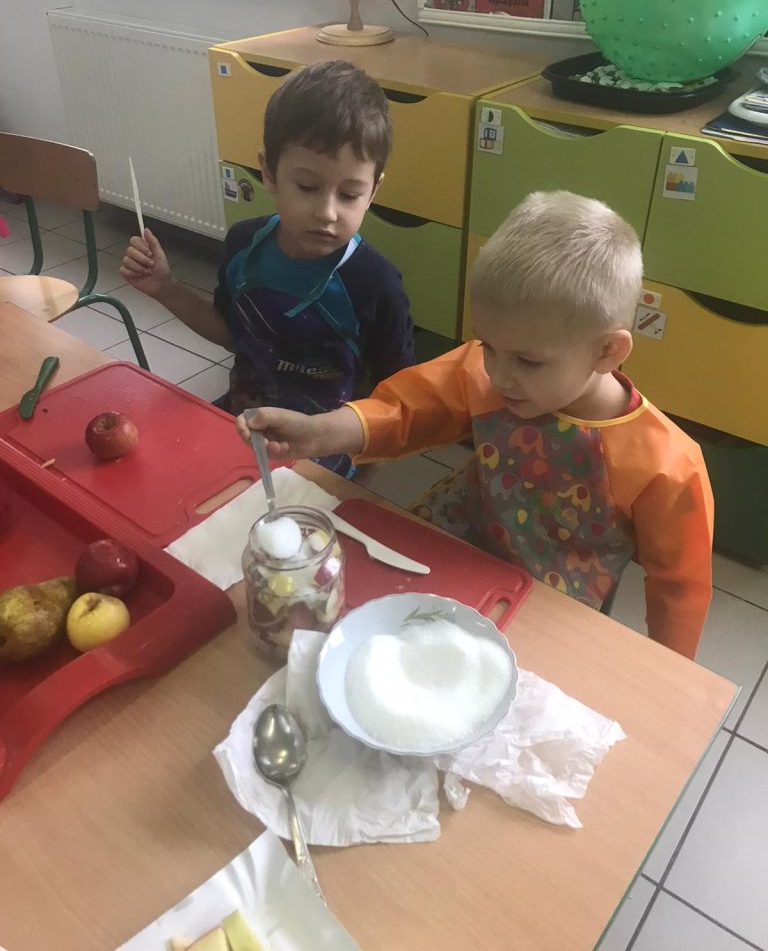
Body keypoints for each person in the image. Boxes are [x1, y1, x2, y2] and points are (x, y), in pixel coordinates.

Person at [236, 191, 714, 659]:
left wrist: (672, 679)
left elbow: (680, 590)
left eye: (528, 361)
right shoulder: (491, 374)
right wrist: (319, 432)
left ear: (607, 351)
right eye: (487, 346)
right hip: (454, 546)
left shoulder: (666, 465)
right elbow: (406, 409)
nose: (498, 375)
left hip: (547, 605)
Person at [119, 60, 414, 475]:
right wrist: (166, 288)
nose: (327, 212)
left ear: (374, 190)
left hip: (323, 453)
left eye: (349, 195)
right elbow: (231, 334)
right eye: (307, 187)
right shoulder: (244, 245)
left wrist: (358, 479)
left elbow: (395, 401)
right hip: (240, 426)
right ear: (269, 173)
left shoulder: (376, 283)